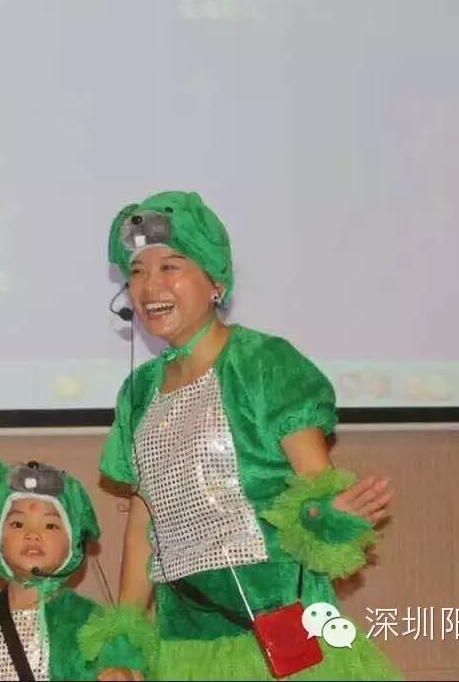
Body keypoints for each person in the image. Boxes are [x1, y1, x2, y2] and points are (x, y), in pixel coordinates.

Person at [98, 190, 402, 680]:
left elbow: (315, 484)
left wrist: (329, 516)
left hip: (278, 639)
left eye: (171, 266)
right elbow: (142, 529)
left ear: (216, 281)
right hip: (183, 650)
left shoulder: (263, 364)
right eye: (137, 271)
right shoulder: (138, 393)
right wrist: (123, 645)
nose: (150, 286)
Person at [0, 458, 156, 681]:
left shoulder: (91, 623)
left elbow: (132, 666)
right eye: (18, 524)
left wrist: (124, 673)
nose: (32, 534)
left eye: (50, 525)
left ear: (74, 540)